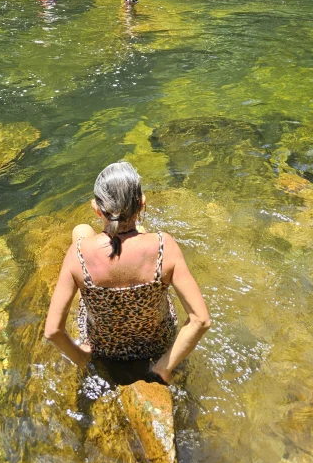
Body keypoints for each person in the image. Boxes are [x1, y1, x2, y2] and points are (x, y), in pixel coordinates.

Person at [44, 161, 210, 385]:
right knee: (141, 234)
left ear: (96, 208)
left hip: (104, 349)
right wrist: (163, 367)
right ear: (142, 204)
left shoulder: (77, 254)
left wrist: (83, 358)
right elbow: (201, 320)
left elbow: (53, 331)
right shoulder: (164, 246)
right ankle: (136, 232)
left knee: (80, 231)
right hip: (157, 344)